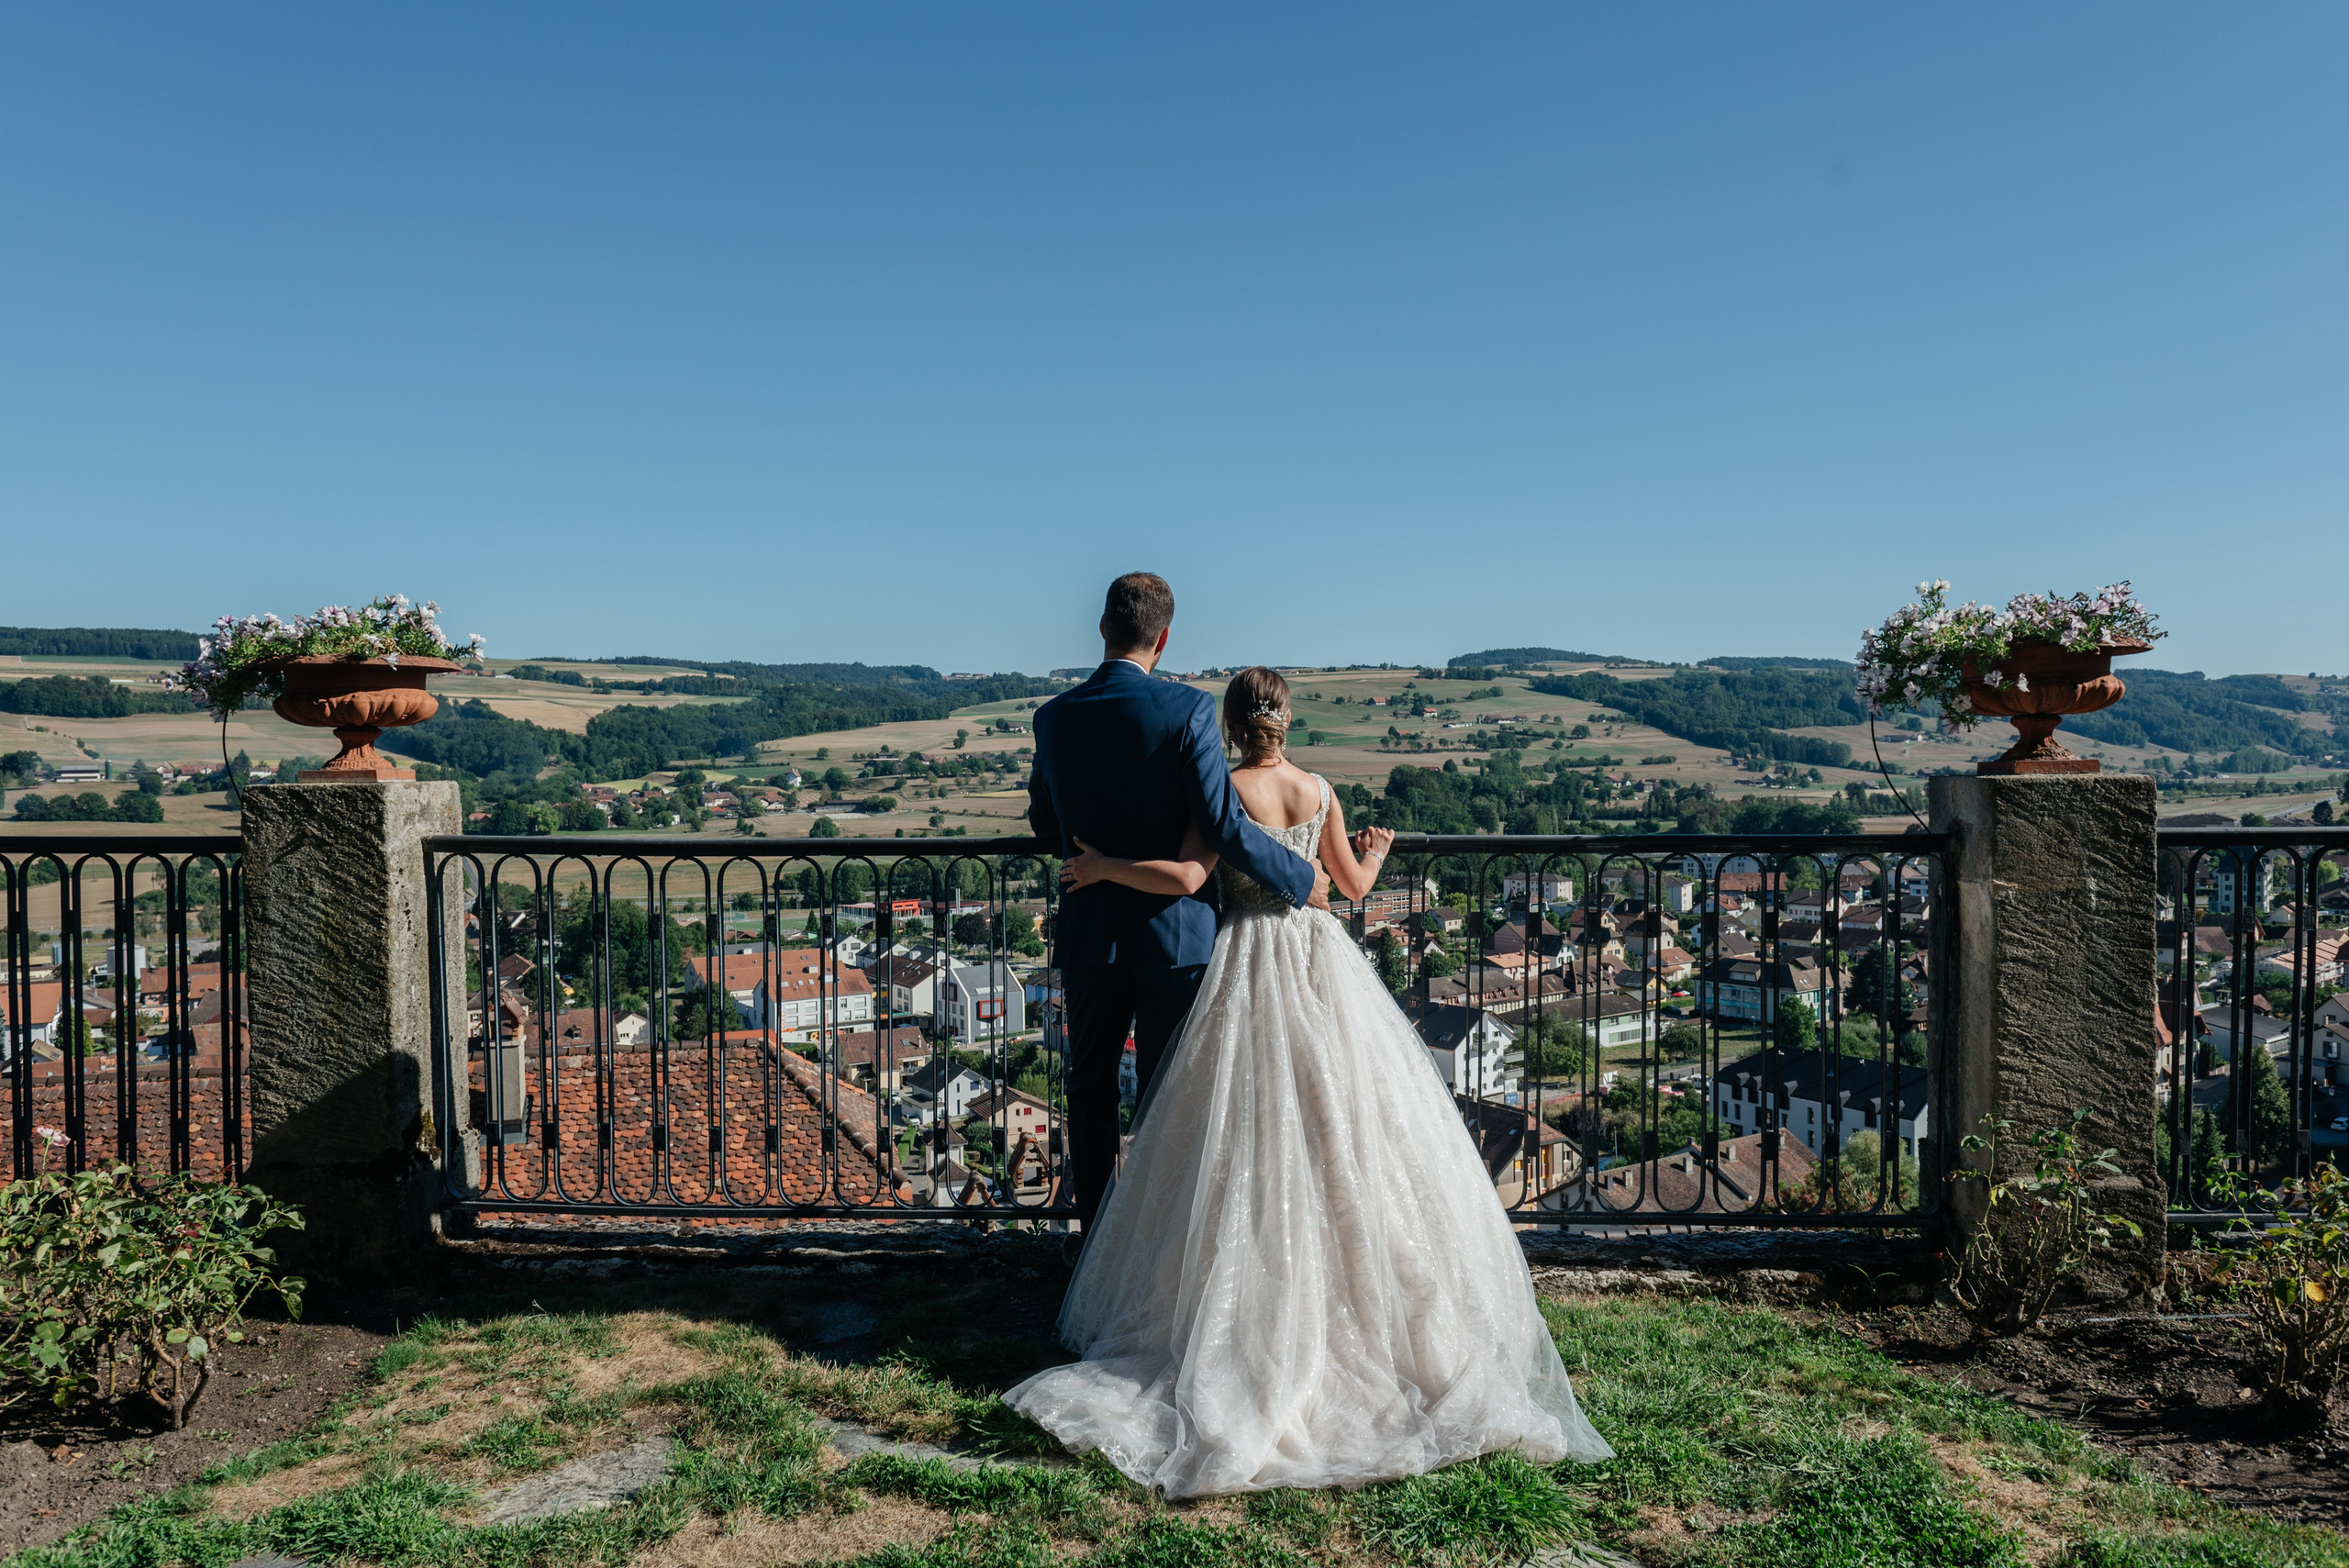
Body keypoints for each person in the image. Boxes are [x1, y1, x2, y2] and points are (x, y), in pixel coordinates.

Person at [1007, 665, 1613, 1497]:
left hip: (1245, 961)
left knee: (1238, 1132)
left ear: (1231, 724)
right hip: (1323, 962)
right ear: (1287, 721)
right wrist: (1374, 853)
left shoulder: (1219, 788)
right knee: (1342, 1126)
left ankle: (1230, 1290)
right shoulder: (1320, 789)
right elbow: (1352, 894)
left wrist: (1107, 864)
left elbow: (1188, 878)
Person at [1026, 574, 1326, 1257]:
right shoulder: (1187, 712)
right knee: (1167, 1101)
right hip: (1175, 939)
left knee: (1090, 1089)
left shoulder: (1054, 717)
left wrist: (1099, 857)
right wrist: (1299, 874)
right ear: (1164, 639)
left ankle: (1099, 1245)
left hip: (1091, 932)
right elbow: (1221, 824)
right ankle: (1164, 1253)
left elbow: (1047, 821)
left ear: (1102, 628)